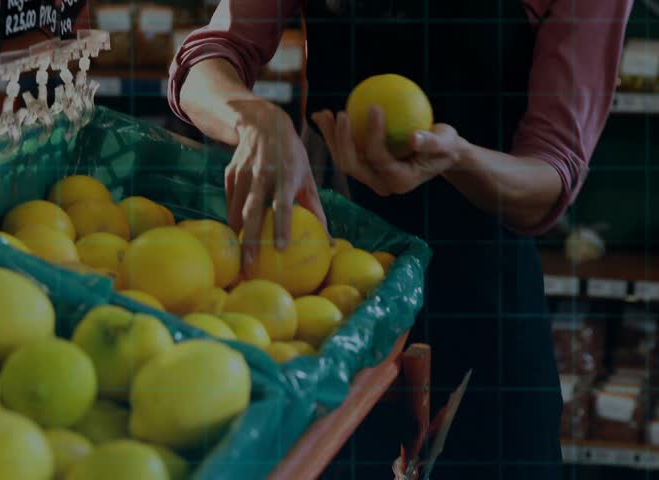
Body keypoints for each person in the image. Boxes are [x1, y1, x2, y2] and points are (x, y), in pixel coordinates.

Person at [168, 0, 632, 478]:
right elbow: (206, 59)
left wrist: (458, 160)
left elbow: (551, 172)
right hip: (328, 287)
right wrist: (251, 117)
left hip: (482, 297)